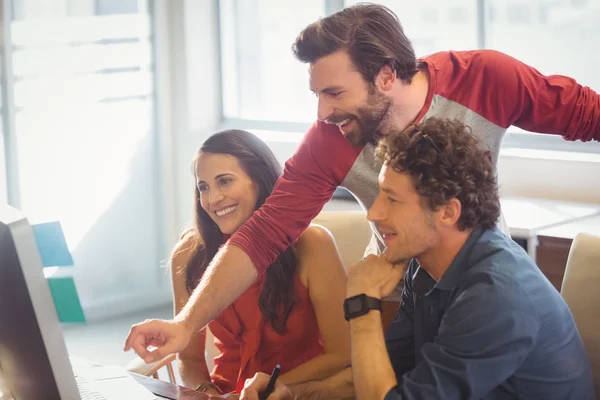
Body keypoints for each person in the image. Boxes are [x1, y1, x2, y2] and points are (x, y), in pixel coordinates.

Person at [124, 3, 600, 364]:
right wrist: (188, 324)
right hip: (398, 296)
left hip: (479, 282)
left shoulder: (485, 79)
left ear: (387, 76)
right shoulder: (331, 138)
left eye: (334, 93)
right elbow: (266, 233)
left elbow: (586, 115)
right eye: (317, 94)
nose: (322, 111)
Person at [240, 117, 595, 400]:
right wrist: (295, 393)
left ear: (447, 212)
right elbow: (386, 374)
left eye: (392, 200)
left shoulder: (497, 296)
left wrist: (363, 304)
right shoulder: (422, 267)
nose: (373, 213)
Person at [165, 130, 350, 396]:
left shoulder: (313, 244)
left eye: (225, 181)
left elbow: (342, 352)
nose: (212, 199)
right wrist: (207, 392)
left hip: (297, 392)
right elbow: (189, 358)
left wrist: (266, 389)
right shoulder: (187, 254)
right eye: (203, 187)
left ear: (260, 180)